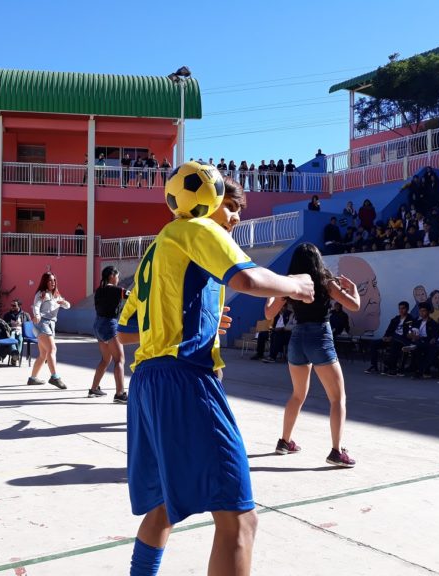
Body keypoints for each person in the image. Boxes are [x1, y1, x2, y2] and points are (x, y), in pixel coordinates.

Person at [117, 175, 314, 575]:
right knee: (239, 519)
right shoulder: (200, 228)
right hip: (185, 380)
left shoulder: (159, 245)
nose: (236, 218)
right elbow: (248, 278)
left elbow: (125, 332)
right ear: (208, 201)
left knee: (162, 507)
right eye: (231, 207)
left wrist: (195, 321)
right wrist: (296, 285)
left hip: (147, 382)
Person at [266, 242, 360, 467]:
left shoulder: (291, 284)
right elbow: (354, 305)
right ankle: (336, 452)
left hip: (297, 338)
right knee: (337, 398)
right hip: (320, 336)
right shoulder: (326, 282)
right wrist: (353, 288)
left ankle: (284, 441)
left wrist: (270, 296)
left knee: (297, 395)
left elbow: (269, 312)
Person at [88, 266, 130, 403]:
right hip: (109, 325)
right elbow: (133, 297)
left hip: (98, 325)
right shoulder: (117, 290)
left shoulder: (99, 290)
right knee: (120, 360)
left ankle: (94, 389)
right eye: (117, 276)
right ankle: (120, 393)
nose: (118, 279)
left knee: (106, 359)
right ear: (112, 276)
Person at [27, 273, 71, 389]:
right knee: (52, 349)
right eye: (50, 281)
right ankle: (55, 377)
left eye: (54, 280)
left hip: (51, 324)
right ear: (45, 282)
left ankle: (32, 379)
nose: (53, 283)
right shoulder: (42, 294)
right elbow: (36, 306)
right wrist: (36, 315)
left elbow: (68, 306)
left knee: (44, 355)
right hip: (42, 323)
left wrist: (63, 302)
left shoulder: (56, 294)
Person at [2, 299, 30, 364]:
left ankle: (14, 358)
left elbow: (29, 326)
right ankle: (15, 354)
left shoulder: (25, 314)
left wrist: (22, 324)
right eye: (11, 305)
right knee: (12, 338)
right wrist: (10, 324)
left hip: (21, 331)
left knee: (20, 339)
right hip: (11, 331)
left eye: (14, 305)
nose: (12, 307)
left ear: (19, 306)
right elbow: (3, 325)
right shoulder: (7, 315)